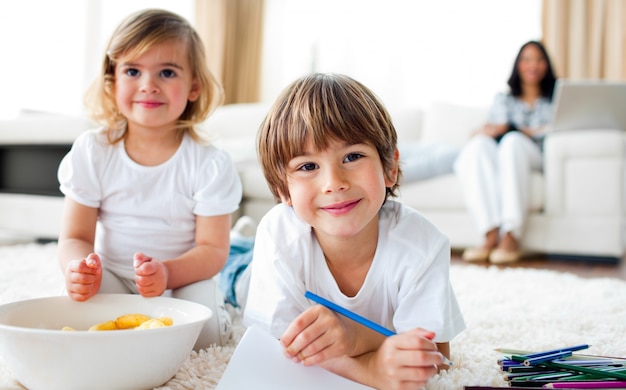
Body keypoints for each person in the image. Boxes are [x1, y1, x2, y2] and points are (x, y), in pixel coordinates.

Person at [231, 73, 465, 389]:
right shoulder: (279, 235)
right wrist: (370, 368)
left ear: (390, 168)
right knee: (231, 270)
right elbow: (277, 350)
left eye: (352, 157)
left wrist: (354, 337)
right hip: (244, 275)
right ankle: (241, 243)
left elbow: (437, 358)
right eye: (308, 166)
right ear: (281, 190)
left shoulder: (423, 246)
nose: (334, 183)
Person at [56, 9, 242, 349]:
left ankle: (225, 306)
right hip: (113, 275)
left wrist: (168, 274)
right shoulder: (93, 151)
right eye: (132, 71)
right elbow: (74, 236)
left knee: (207, 335)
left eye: (167, 72)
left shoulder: (210, 163)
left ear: (194, 87)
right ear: (112, 83)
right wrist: (78, 269)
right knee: (81, 322)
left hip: (183, 278)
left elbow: (213, 250)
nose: (148, 86)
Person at [454, 40, 557, 264]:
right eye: (527, 59)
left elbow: (554, 131)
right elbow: (494, 127)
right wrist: (490, 131)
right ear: (518, 65)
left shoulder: (555, 99)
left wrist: (519, 131)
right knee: (479, 146)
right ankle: (490, 232)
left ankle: (511, 234)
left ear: (546, 65)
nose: (533, 65)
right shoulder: (504, 99)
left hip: (534, 155)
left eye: (539, 59)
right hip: (504, 152)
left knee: (513, 141)